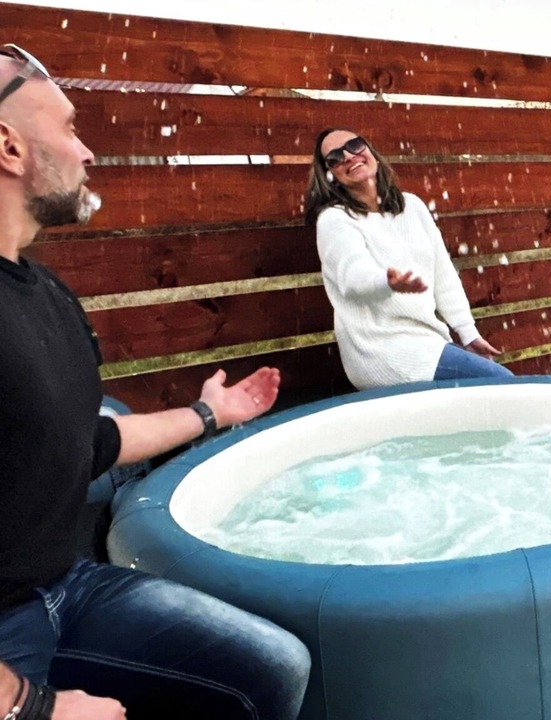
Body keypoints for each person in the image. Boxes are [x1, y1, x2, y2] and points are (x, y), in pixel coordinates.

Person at [0, 44, 310, 719]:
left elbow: (90, 444)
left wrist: (209, 414)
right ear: (9, 147)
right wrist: (33, 707)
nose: (87, 152)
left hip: (66, 587)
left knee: (276, 667)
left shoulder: (46, 294)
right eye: (70, 128)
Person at [303, 128, 512, 389]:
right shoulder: (334, 220)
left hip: (427, 343)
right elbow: (353, 277)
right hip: (381, 351)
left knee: (494, 392)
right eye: (335, 157)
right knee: (503, 384)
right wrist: (386, 282)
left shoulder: (412, 206)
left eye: (354, 145)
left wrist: (468, 333)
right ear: (329, 175)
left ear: (371, 152)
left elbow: (443, 274)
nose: (348, 156)